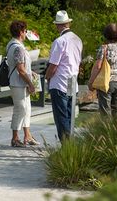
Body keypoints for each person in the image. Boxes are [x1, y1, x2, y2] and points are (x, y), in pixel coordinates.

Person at [45, 10, 83, 141]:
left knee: (61, 117)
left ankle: (66, 146)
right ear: (68, 24)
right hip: (72, 81)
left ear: (58, 25)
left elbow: (53, 66)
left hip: (60, 81)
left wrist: (46, 77)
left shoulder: (59, 41)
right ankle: (70, 144)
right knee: (70, 115)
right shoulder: (78, 39)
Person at [7, 20, 39, 147]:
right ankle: (15, 138)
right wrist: (31, 84)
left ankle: (27, 136)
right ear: (21, 32)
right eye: (25, 31)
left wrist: (32, 73)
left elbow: (22, 66)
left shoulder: (12, 44)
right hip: (18, 83)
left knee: (27, 109)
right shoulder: (18, 48)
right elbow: (20, 69)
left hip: (20, 82)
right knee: (20, 109)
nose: (26, 33)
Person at [88, 23, 117, 116]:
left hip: (106, 82)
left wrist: (91, 82)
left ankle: (105, 130)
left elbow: (98, 66)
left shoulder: (104, 48)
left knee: (105, 112)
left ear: (106, 34)